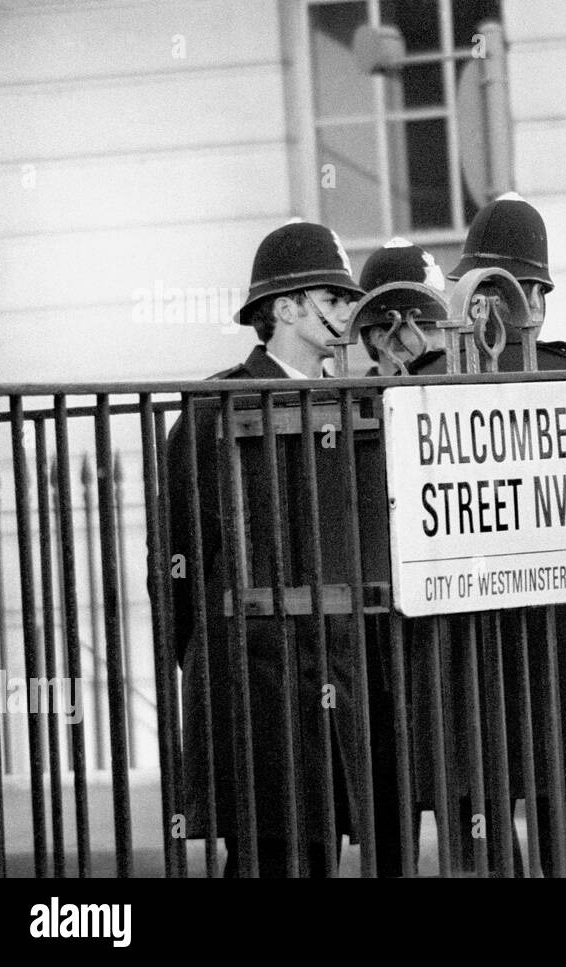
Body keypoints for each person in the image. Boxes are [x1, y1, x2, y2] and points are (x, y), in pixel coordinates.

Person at [407, 193, 566, 876]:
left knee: (482, 857)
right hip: (563, 665)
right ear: (537, 298)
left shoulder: (422, 384)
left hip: (463, 672)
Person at [166, 220, 404, 876]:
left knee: (318, 854)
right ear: (285, 307)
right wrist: (209, 659)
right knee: (268, 856)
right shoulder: (214, 407)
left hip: (336, 681)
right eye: (333, 298)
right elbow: (180, 560)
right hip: (256, 686)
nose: (346, 313)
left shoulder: (353, 402)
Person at [354, 237, 449, 375]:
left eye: (444, 329)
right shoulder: (352, 397)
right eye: (427, 329)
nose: (442, 343)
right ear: (381, 339)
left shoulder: (453, 394)